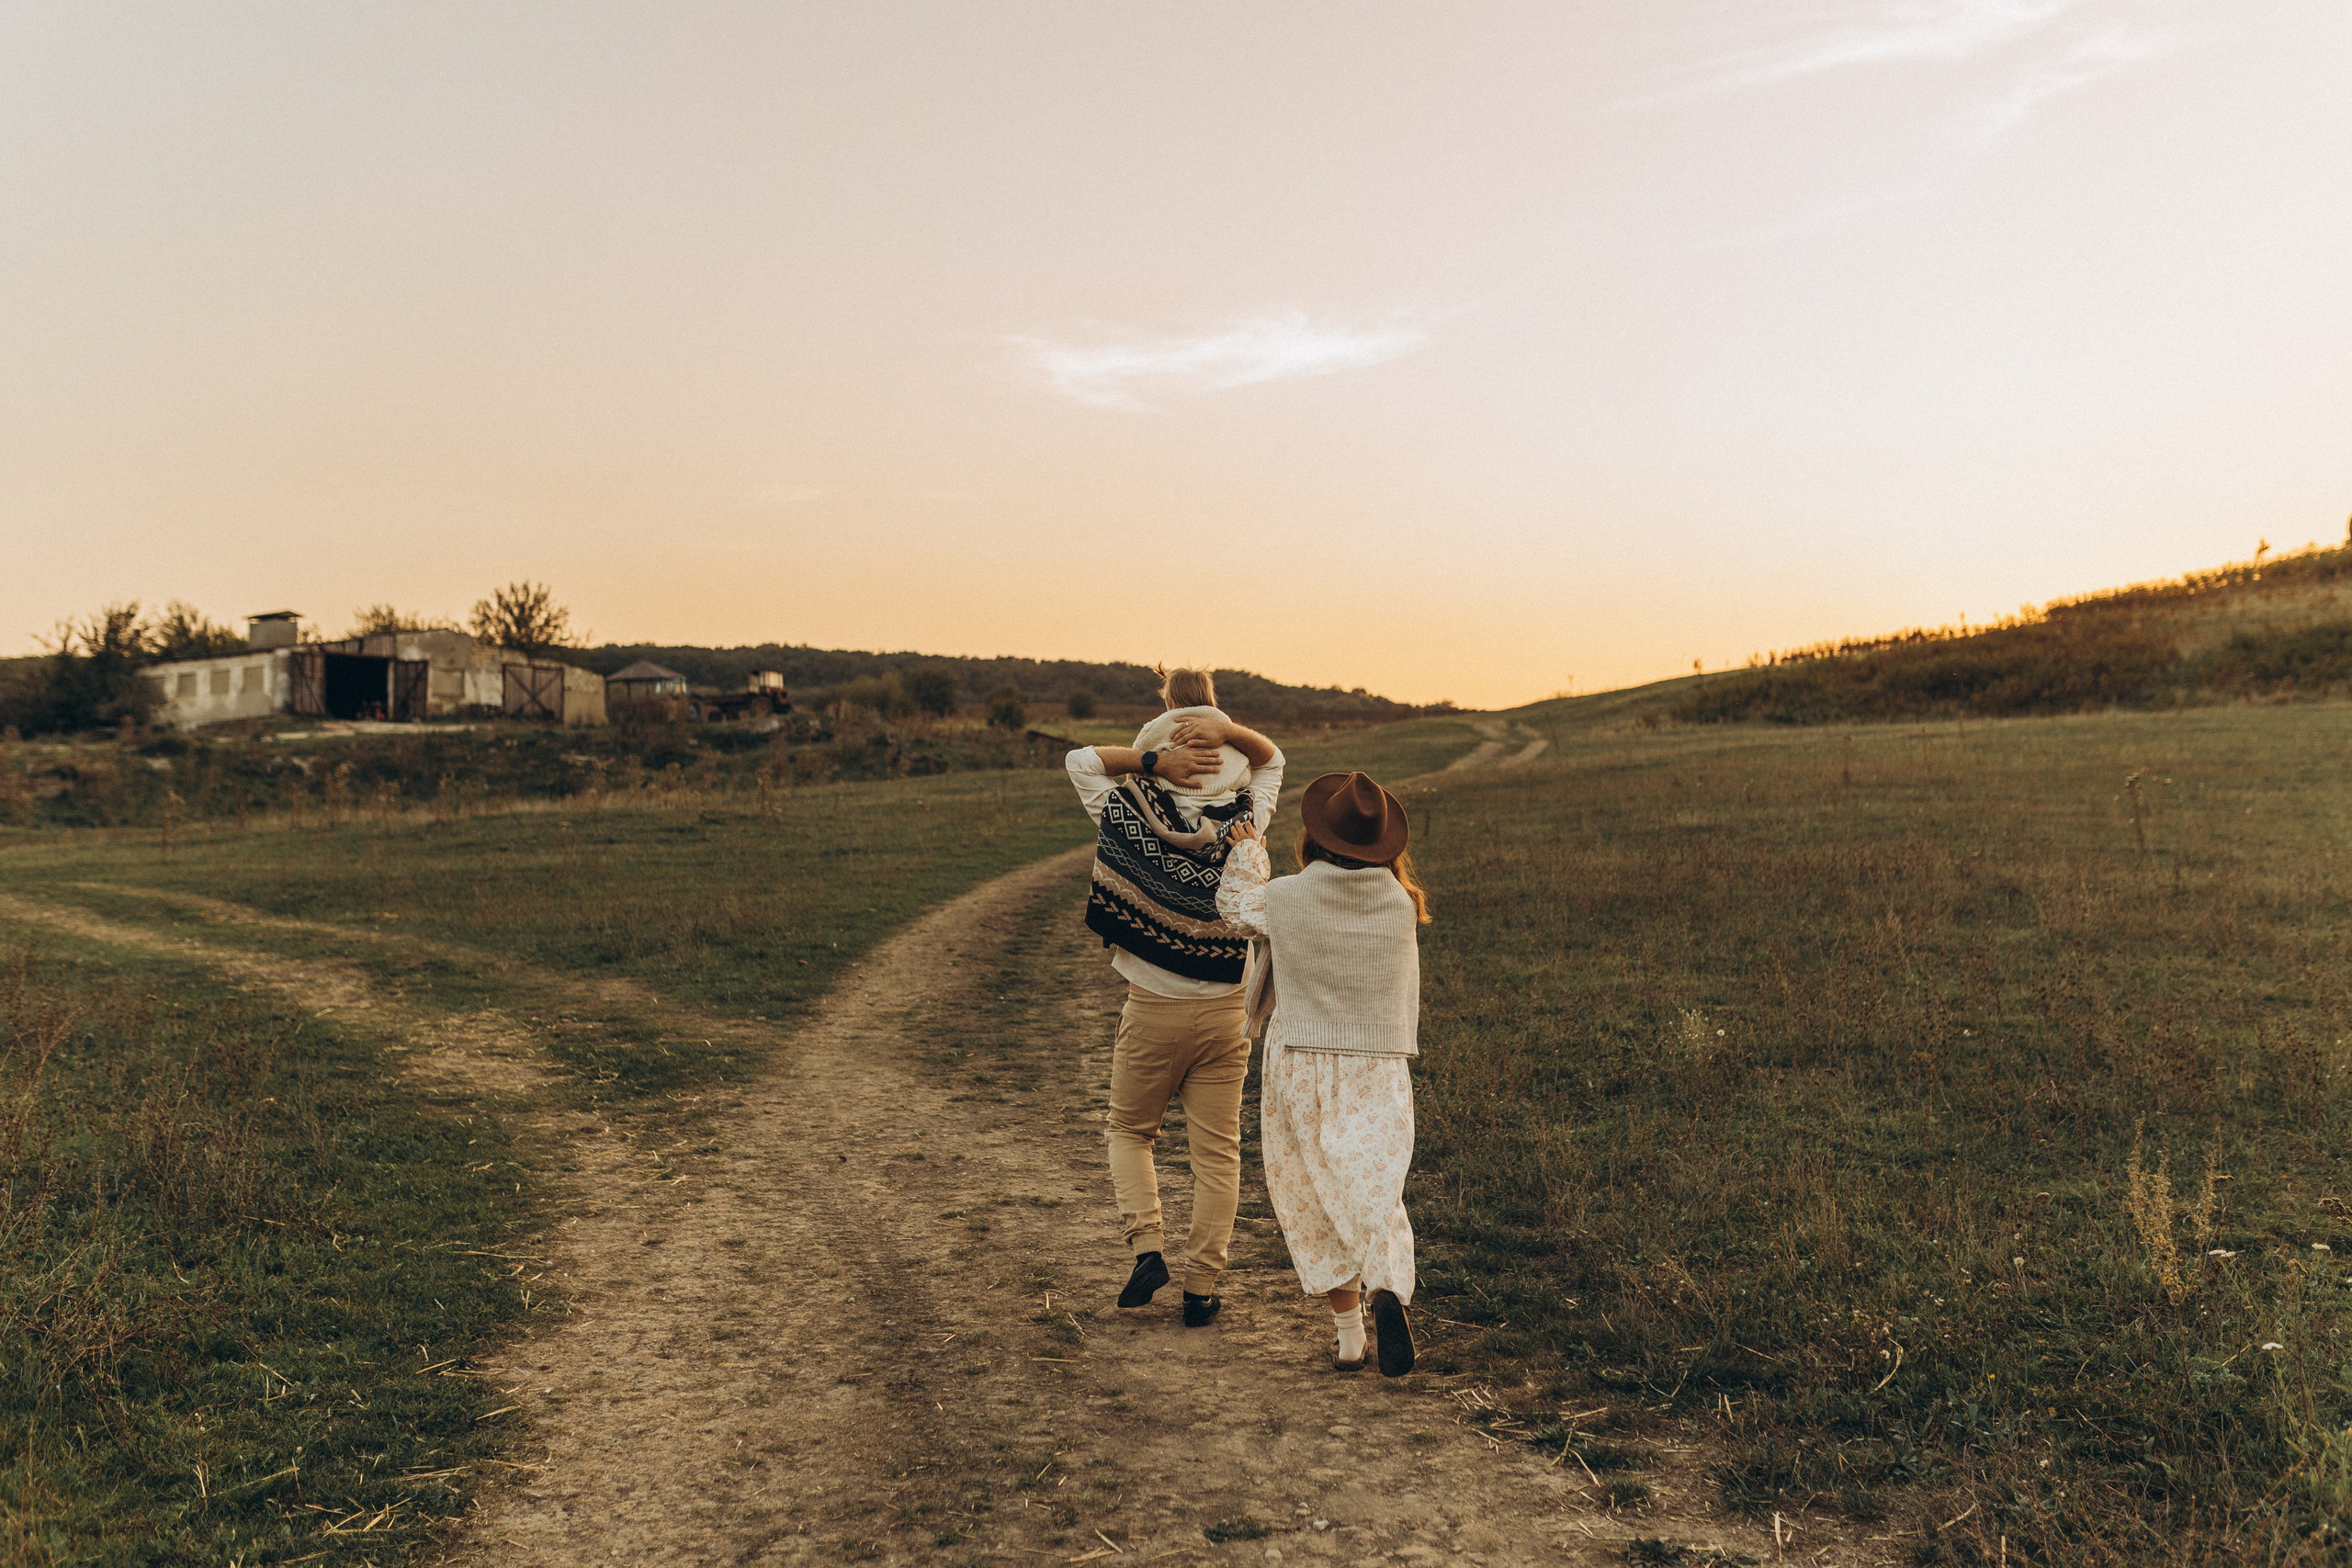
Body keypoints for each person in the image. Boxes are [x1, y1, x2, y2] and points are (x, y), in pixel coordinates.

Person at [1066, 668, 1284, 1325]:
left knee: (1129, 1131)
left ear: (1162, 722)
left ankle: (1147, 1246)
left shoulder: (1126, 807)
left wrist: (1154, 759)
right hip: (1227, 1009)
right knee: (1218, 1152)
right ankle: (1201, 1287)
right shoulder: (1251, 817)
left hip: (1153, 1005)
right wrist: (1227, 730)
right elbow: (1273, 758)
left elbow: (1080, 759)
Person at [1216, 771, 1430, 1375]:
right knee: (1373, 1182)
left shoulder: (1288, 896)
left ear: (1315, 837)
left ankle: (1349, 1337)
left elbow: (1234, 908)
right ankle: (1387, 1282)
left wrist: (1246, 848)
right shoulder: (1399, 903)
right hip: (1377, 1061)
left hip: (1300, 1056)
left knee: (1309, 1188)